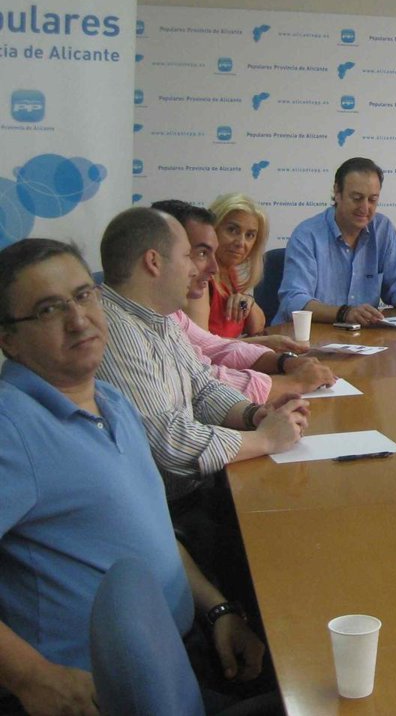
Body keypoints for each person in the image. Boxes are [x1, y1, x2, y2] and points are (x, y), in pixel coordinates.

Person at [0, 239, 272, 715]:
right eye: (48, 309)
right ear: (9, 339)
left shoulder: (112, 400)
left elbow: (151, 530)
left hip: (182, 656)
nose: (79, 319)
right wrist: (32, 676)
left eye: (83, 295)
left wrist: (218, 610)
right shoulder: (12, 427)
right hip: (100, 693)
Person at [95, 207, 309, 505]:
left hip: (194, 489)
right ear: (153, 262)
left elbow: (202, 386)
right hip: (168, 507)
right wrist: (264, 439)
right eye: (187, 256)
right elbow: (167, 442)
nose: (196, 269)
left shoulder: (160, 317)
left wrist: (253, 414)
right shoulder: (114, 329)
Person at [152, 199, 336, 403]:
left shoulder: (176, 312)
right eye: (200, 253)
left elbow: (215, 345)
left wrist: (283, 361)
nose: (241, 243)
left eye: (250, 235)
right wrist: (294, 382)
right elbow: (205, 377)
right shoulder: (194, 289)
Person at [276, 157, 396, 327]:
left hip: (361, 337)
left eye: (372, 200)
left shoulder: (383, 229)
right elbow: (294, 301)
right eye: (357, 198)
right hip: (308, 336)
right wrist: (344, 313)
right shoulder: (306, 235)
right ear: (337, 192)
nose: (365, 208)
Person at [185, 192, 269, 338]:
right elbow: (200, 344)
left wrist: (249, 302)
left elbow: (257, 327)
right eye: (232, 230)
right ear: (213, 229)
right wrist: (262, 344)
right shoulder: (199, 277)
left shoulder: (229, 271)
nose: (240, 243)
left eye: (249, 235)